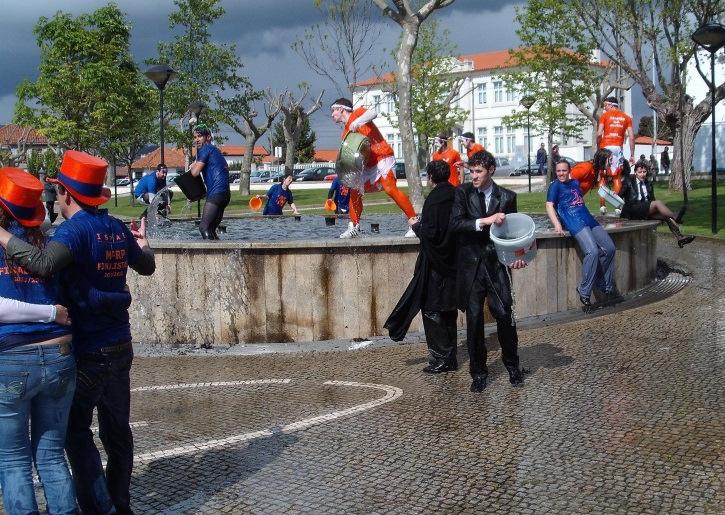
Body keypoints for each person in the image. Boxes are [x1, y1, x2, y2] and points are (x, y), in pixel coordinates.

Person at [0, 150, 156, 515]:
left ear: (66, 194)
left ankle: (99, 506)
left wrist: (4, 235)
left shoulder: (72, 231)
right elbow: (146, 266)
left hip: (86, 347)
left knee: (73, 434)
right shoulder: (116, 226)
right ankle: (120, 503)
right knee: (117, 432)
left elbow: (42, 265)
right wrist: (144, 243)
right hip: (120, 343)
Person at [0, 168, 78, 515]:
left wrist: (45, 314)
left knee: (13, 460)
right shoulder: (50, 243)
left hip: (12, 358)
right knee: (51, 456)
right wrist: (50, 313)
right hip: (60, 353)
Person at [450, 150, 527, 392]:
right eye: (471, 171)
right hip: (471, 267)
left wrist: (518, 259)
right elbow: (454, 225)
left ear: (491, 170)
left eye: (478, 171)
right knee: (473, 322)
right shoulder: (462, 193)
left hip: (496, 265)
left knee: (505, 316)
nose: (473, 175)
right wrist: (485, 221)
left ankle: (513, 366)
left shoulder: (507, 197)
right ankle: (479, 373)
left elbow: (514, 234)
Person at [384, 160, 458, 373]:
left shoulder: (434, 200)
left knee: (432, 309)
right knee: (448, 310)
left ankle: (441, 359)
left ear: (431, 178)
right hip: (453, 263)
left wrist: (416, 226)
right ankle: (449, 356)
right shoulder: (456, 195)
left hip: (436, 266)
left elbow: (432, 235)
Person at [330, 98, 417, 238]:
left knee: (390, 189)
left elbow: (373, 113)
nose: (332, 114)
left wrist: (357, 122)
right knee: (354, 192)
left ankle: (414, 223)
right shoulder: (344, 133)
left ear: (341, 109)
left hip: (382, 155)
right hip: (367, 164)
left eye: (334, 110)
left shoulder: (358, 113)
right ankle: (354, 226)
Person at [546, 159, 617, 308]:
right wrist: (557, 224)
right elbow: (549, 205)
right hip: (573, 220)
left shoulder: (575, 183)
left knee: (609, 248)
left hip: (587, 218)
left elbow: (579, 199)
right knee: (592, 252)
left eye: (564, 170)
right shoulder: (555, 186)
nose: (561, 173)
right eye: (558, 171)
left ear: (569, 170)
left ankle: (603, 283)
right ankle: (584, 291)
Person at [619, 161, 695, 248]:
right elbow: (620, 195)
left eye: (644, 172)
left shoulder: (648, 183)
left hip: (645, 210)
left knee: (666, 216)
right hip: (633, 209)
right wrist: (615, 196)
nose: (642, 174)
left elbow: (652, 200)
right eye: (640, 172)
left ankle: (680, 238)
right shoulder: (628, 181)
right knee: (658, 203)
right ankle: (675, 216)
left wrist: (658, 210)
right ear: (635, 172)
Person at [189, 124, 230, 239]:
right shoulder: (214, 150)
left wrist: (194, 166)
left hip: (216, 194)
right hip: (224, 195)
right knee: (211, 229)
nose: (197, 139)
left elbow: (195, 173)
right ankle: (220, 253)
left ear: (208, 137)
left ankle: (211, 257)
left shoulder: (205, 148)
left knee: (204, 227)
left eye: (200, 136)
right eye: (195, 137)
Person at [597, 96, 634, 213]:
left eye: (605, 106)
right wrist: (632, 154)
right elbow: (632, 137)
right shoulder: (627, 117)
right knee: (616, 177)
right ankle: (617, 206)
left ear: (611, 105)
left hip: (605, 147)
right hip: (618, 148)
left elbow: (599, 134)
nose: (604, 108)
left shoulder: (604, 116)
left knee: (602, 175)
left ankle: (602, 206)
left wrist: (599, 149)